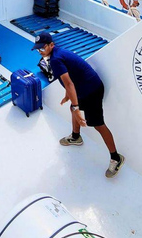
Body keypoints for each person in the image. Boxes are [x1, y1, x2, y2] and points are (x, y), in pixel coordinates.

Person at [32, 32, 125, 178]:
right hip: (85, 87)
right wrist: (68, 96)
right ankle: (76, 137)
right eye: (38, 49)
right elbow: (71, 78)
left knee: (97, 125)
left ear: (51, 45)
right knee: (71, 108)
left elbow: (69, 83)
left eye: (43, 48)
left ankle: (116, 157)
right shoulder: (57, 54)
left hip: (91, 90)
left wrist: (76, 108)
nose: (41, 51)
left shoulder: (56, 59)